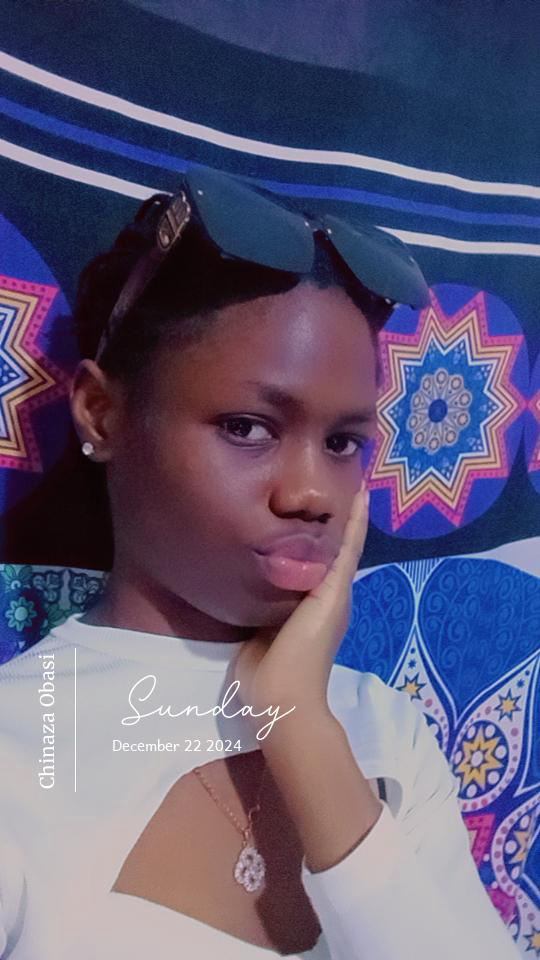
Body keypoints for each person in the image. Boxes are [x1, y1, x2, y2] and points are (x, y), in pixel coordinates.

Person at [0, 166, 521, 959]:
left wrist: (299, 720)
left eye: (342, 443)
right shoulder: (19, 744)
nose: (311, 494)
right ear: (101, 414)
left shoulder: (386, 730)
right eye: (247, 428)